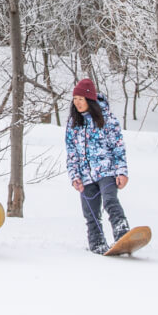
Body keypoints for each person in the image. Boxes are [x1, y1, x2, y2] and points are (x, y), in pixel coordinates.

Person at [65, 78, 130, 255]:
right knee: (91, 214)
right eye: (75, 98)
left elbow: (118, 146)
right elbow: (71, 153)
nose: (77, 102)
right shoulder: (73, 123)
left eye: (81, 98)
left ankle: (122, 231)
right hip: (85, 176)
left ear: (90, 99)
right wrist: (74, 177)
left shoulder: (106, 118)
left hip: (106, 170)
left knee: (110, 201)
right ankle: (97, 243)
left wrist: (121, 172)